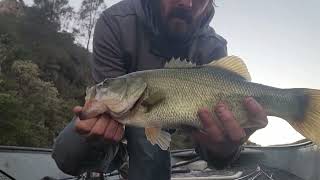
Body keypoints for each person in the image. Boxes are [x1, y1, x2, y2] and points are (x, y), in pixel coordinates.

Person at [52, 0, 268, 179]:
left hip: (166, 117)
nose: (186, 2)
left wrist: (225, 150)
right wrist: (99, 126)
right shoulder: (115, 22)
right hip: (129, 116)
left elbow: (212, 151)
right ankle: (120, 159)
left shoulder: (213, 47)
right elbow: (109, 101)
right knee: (71, 149)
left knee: (149, 147)